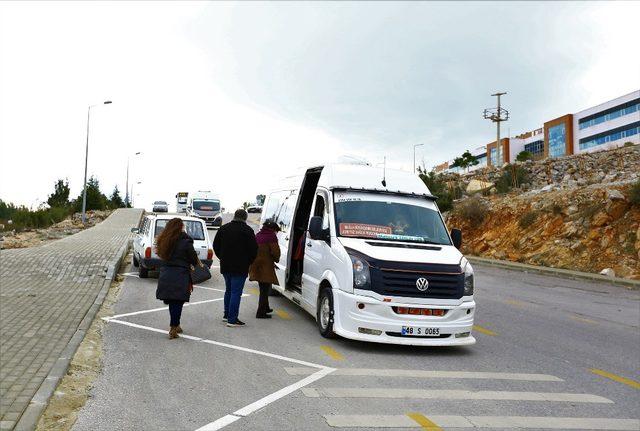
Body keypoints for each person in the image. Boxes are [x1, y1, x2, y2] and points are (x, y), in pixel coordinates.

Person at [155, 218, 201, 339]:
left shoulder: (163, 239)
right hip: (180, 274)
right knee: (178, 301)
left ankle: (176, 324)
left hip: (166, 272)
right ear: (180, 227)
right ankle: (173, 327)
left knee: (172, 301)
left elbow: (160, 254)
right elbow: (193, 258)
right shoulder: (186, 241)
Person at [213, 209, 258, 327]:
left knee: (228, 290)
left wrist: (222, 257)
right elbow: (254, 250)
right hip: (240, 266)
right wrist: (249, 262)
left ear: (234, 216)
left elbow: (215, 245)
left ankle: (226, 315)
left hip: (226, 265)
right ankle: (232, 320)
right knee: (236, 292)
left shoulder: (223, 228)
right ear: (245, 218)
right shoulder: (248, 230)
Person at [249, 220, 281, 318]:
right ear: (273, 229)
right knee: (264, 290)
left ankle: (266, 307)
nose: (276, 233)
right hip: (265, 267)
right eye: (276, 231)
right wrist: (276, 260)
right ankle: (261, 313)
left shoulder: (258, 235)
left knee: (263, 288)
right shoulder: (271, 236)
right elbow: (275, 252)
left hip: (256, 266)